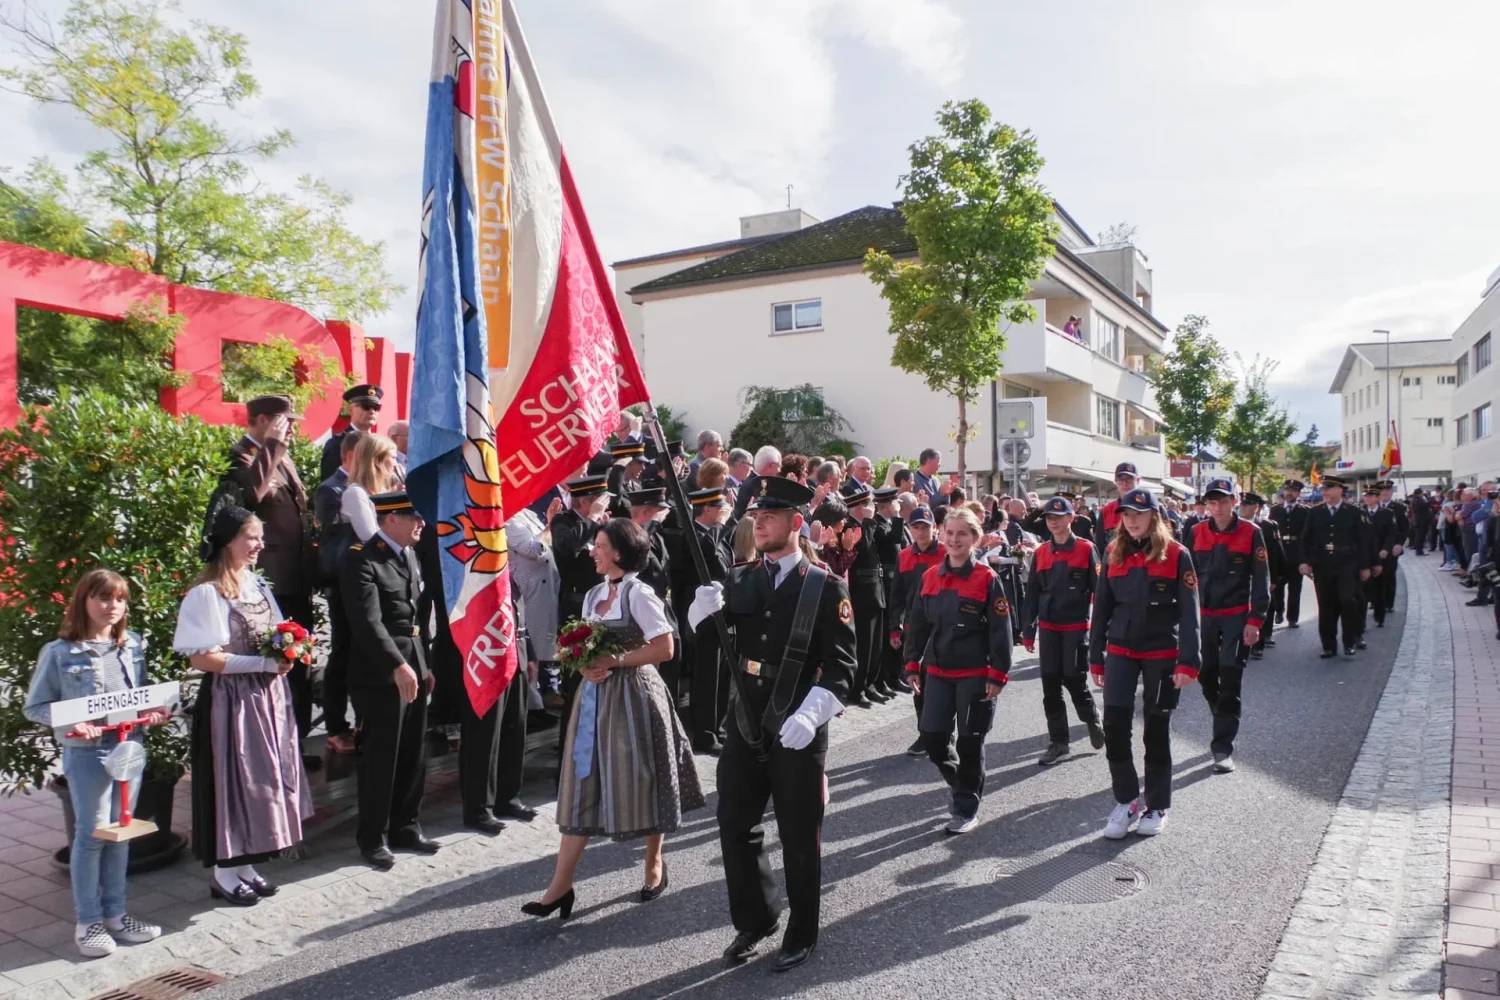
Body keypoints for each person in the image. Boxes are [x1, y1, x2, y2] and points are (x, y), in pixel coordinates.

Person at [686, 476, 857, 972]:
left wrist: (814, 711)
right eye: (756, 516)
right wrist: (699, 619)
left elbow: (843, 667)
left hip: (798, 720)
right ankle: (757, 917)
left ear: (797, 523)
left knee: (800, 833)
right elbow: (713, 647)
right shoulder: (741, 579)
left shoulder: (826, 587)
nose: (759, 523)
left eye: (771, 516)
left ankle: (802, 932)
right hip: (745, 719)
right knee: (735, 823)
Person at [525, 519, 704, 918]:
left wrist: (616, 659)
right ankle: (560, 887)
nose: (592, 550)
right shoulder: (592, 595)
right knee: (581, 783)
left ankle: (654, 863)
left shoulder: (640, 595)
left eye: (600, 545)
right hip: (596, 699)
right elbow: (581, 647)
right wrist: (585, 665)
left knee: (645, 775)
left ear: (619, 553)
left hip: (635, 695)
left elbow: (665, 648)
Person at [173, 507, 312, 903]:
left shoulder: (255, 584)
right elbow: (201, 659)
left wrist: (289, 652)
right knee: (234, 781)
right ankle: (223, 872)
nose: (259, 544)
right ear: (228, 541)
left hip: (266, 697)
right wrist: (263, 663)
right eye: (252, 537)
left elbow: (278, 633)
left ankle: (245, 864)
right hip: (230, 701)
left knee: (261, 782)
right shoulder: (207, 594)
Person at [24, 570, 167, 957]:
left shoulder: (132, 645)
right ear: (83, 601)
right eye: (103, 598)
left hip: (128, 750)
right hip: (89, 755)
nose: (112, 607)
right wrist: (74, 724)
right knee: (91, 836)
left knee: (121, 831)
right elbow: (35, 707)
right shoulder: (59, 652)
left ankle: (116, 916)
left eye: (119, 600)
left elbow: (140, 697)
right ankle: (88, 922)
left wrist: (153, 713)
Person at [1088, 488, 1200, 839]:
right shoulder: (1112, 553)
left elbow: (1189, 611)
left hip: (1161, 654)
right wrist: (1095, 657)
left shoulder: (1177, 555)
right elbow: (1101, 608)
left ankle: (1157, 804)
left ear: (1154, 516)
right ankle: (1126, 800)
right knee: (1115, 727)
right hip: (1121, 650)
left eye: (1139, 513)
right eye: (1126, 514)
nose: (1132, 519)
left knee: (1156, 729)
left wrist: (1189, 660)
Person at [341, 491, 437, 869]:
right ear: (391, 519)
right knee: (382, 756)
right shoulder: (363, 559)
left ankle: (405, 825)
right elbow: (367, 622)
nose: (421, 524)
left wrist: (423, 664)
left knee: (414, 751)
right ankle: (373, 836)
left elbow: (417, 617)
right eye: (413, 517)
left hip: (412, 661)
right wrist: (397, 665)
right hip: (380, 672)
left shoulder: (409, 556)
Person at [419, 525, 535, 837]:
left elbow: (514, 595)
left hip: (514, 644)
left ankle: (507, 797)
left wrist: (530, 651)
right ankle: (478, 807)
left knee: (514, 725)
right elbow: (443, 595)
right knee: (484, 731)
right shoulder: (447, 530)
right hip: (479, 647)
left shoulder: (493, 526)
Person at [901, 506, 1011, 833]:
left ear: (974, 538)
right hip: (937, 671)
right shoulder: (930, 577)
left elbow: (1000, 631)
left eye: (962, 533)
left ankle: (966, 807)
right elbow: (917, 625)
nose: (954, 539)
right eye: (949, 533)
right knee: (932, 736)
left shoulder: (987, 579)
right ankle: (960, 782)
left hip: (975, 674)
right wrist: (911, 664)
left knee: (969, 741)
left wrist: (999, 673)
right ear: (941, 534)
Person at [227, 394, 317, 763]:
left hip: (298, 579)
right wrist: (273, 446)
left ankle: (295, 743)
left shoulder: (282, 456)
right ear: (262, 420)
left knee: (299, 664)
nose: (292, 429)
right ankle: (274, 748)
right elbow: (250, 497)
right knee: (274, 665)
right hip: (272, 583)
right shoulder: (241, 456)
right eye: (285, 422)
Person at [1187, 479, 1269, 774]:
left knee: (1230, 675)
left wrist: (1256, 620)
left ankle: (1222, 748)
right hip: (1205, 616)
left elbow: (1261, 579)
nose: (1217, 508)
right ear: (1206, 505)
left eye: (1223, 501)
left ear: (1234, 501)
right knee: (1206, 674)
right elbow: (1186, 578)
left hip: (1237, 615)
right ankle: (1221, 712)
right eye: (1212, 502)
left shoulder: (1251, 533)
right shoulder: (1195, 531)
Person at [1020, 496, 1104, 765]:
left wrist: (1102, 632)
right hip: (1048, 626)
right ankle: (1058, 742)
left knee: (1074, 679)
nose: (1053, 521)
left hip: (1077, 626)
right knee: (1050, 685)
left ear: (1071, 519)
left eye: (1059, 516)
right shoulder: (1042, 552)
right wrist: (1027, 631)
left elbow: (1101, 593)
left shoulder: (1086, 548)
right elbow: (1032, 593)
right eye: (1049, 517)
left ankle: (1092, 718)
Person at [315, 429, 364, 754]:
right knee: (343, 654)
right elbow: (332, 536)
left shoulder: (362, 488)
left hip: (362, 582)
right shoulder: (331, 488)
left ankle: (362, 722)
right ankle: (335, 726)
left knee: (361, 653)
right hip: (341, 583)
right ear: (351, 455)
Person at [821, 485, 890, 707]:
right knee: (864, 644)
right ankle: (858, 688)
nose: (870, 508)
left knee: (875, 644)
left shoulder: (865, 525)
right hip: (860, 591)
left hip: (875, 588)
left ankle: (870, 684)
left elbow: (885, 541)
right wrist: (868, 522)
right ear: (858, 508)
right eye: (866, 505)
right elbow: (865, 547)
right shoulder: (850, 527)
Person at [1298, 475, 1371, 659]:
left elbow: (1362, 541)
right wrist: (1304, 561)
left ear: (1340, 490)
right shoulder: (1315, 512)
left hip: (1347, 563)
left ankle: (1349, 642)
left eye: (1329, 488)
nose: (1325, 492)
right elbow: (1306, 539)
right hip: (1323, 564)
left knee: (1348, 600)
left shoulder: (1353, 512)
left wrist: (1365, 566)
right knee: (1326, 605)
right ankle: (1329, 646)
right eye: (1324, 489)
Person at [505, 503, 563, 717]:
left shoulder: (527, 513)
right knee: (534, 644)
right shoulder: (506, 519)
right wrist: (549, 526)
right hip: (529, 590)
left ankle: (548, 691)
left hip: (548, 587)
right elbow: (534, 549)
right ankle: (536, 700)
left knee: (548, 640)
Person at [1239, 492, 1284, 660]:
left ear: (1256, 507)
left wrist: (1274, 578)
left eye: (1247, 504)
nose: (1243, 507)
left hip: (1261, 573)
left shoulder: (1267, 526)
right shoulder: (1235, 526)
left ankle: (1259, 643)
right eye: (1242, 504)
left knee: (1262, 605)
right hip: (1241, 575)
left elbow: (1274, 553)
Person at [320, 384, 383, 482]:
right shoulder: (338, 443)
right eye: (366, 406)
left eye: (376, 407)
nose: (372, 411)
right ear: (350, 410)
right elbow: (331, 483)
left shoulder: (380, 444)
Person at [1269, 480, 1310, 629]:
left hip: (1296, 553)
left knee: (1295, 588)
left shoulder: (1305, 511)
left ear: (1298, 493)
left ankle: (1292, 618)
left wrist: (1305, 559)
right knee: (1278, 586)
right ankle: (1279, 611)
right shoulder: (1275, 510)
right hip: (1280, 554)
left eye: (1293, 491)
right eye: (1287, 490)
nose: (1289, 493)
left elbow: (1308, 536)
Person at [1361, 485, 1397, 631]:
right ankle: (1361, 622)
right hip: (1365, 556)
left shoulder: (1387, 514)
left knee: (1380, 587)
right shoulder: (1360, 513)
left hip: (1382, 555)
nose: (1368, 498)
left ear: (1377, 498)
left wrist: (1386, 549)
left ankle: (1379, 616)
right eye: (1366, 496)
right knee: (1363, 590)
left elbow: (1391, 534)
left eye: (1371, 496)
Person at [1097, 462, 1140, 540]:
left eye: (1129, 479)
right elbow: (1100, 546)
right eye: (1120, 480)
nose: (1124, 483)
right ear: (1115, 482)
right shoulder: (1106, 511)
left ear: (1138, 480)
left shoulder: (1154, 509)